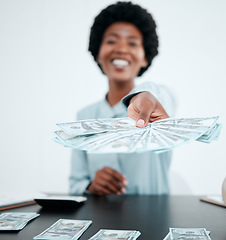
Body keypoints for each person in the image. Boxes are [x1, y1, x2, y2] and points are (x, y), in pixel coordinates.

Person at [69, 1, 176, 196]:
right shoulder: (83, 116)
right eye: (111, 41)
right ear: (98, 53)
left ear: (145, 57)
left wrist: (145, 95)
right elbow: (76, 184)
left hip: (153, 220)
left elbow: (162, 94)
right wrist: (91, 186)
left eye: (133, 43)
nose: (121, 49)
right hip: (100, 219)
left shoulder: (156, 105)